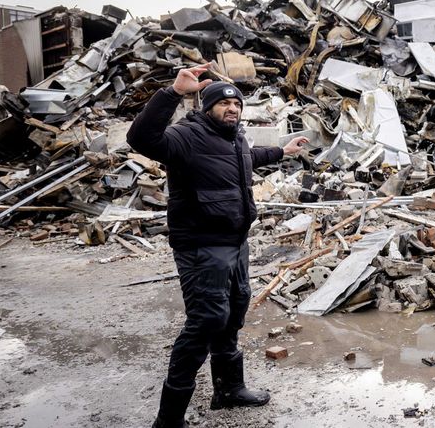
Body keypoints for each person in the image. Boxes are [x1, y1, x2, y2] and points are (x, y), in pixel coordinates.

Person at [127, 64, 308, 428]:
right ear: (206, 106)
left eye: (237, 105)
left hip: (235, 243)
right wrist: (172, 93)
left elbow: (248, 159)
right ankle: (169, 417)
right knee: (207, 320)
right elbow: (142, 139)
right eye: (224, 104)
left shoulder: (236, 139)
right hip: (201, 245)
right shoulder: (185, 136)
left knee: (233, 313)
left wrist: (283, 152)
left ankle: (228, 390)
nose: (232, 109)